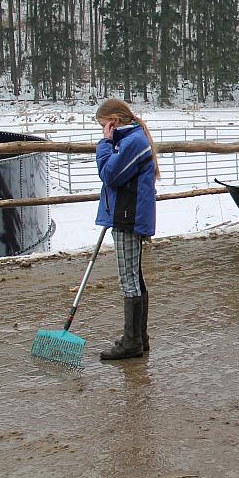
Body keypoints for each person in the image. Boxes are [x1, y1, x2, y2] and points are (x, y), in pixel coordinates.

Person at [94, 99, 159, 360]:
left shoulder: (132, 142)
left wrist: (104, 143)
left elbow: (109, 175)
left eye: (103, 125)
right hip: (127, 215)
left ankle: (132, 342)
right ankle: (138, 337)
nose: (102, 130)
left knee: (128, 279)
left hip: (127, 217)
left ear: (114, 121)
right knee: (134, 276)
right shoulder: (132, 140)